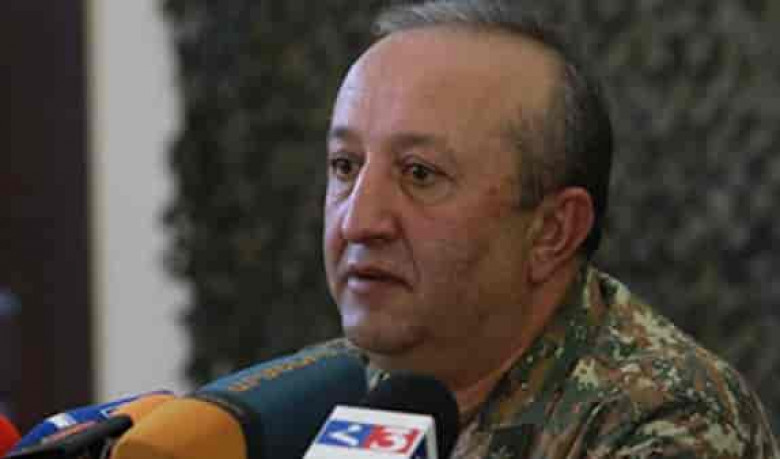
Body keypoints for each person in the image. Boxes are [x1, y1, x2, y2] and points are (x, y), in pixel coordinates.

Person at [318, 0, 779, 456]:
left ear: (551, 233)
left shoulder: (669, 421)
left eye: (420, 174)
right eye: (345, 165)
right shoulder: (318, 391)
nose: (358, 222)